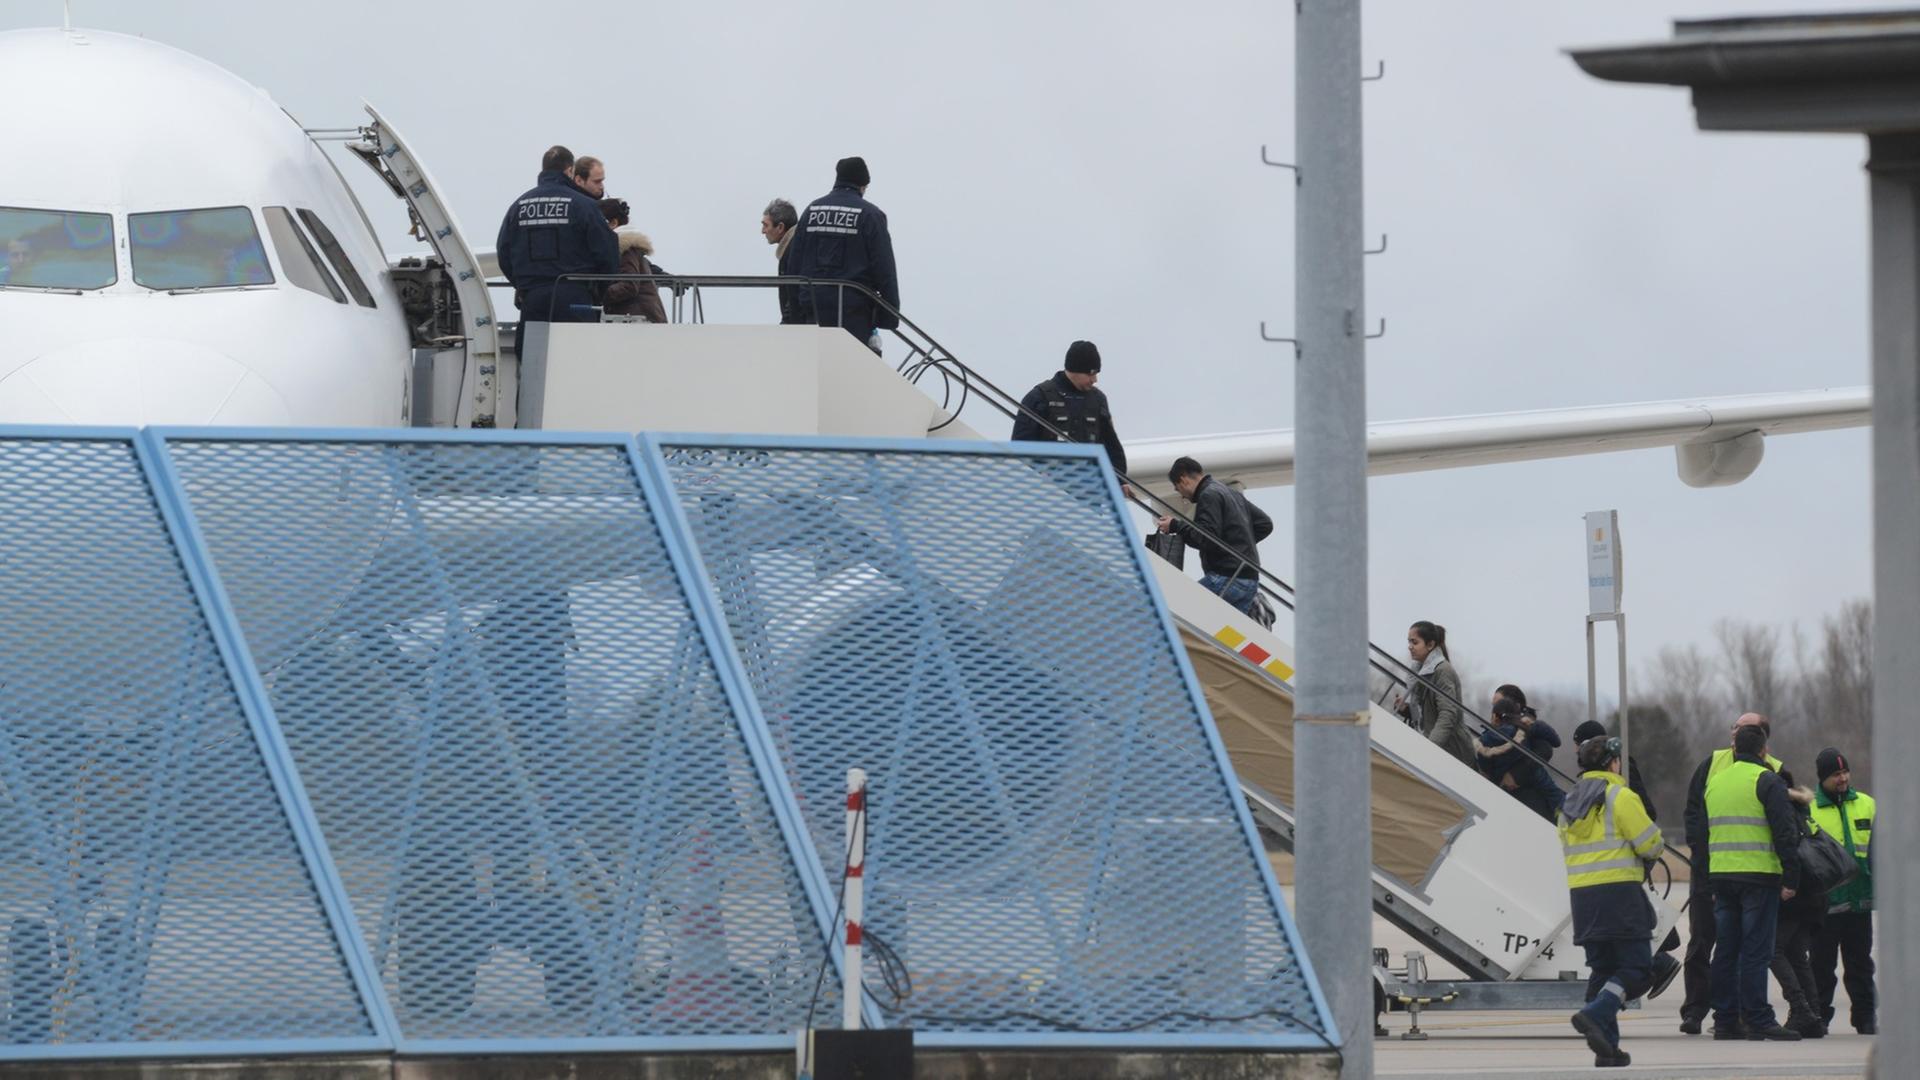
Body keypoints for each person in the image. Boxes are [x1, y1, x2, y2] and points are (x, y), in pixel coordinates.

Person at [1561, 735, 1664, 1068]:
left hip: (1583, 897)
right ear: (1613, 763)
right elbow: (1650, 844)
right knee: (1637, 968)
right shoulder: (1619, 796)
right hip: (1620, 894)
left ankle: (1608, 1048)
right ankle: (1595, 1013)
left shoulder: (1568, 803)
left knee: (1603, 970)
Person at [1677, 711, 1780, 1034]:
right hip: (1712, 869)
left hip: (1747, 872)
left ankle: (1733, 1014)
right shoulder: (1713, 764)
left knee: (1738, 947)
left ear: (1761, 738)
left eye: (1743, 728)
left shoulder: (1774, 771)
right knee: (1702, 941)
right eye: (1733, 726)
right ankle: (1696, 1010)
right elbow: (1693, 812)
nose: (1735, 733)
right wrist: (1701, 856)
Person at [1705, 721, 1802, 1040]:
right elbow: (1785, 831)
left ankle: (1725, 1020)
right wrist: (1792, 875)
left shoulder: (1715, 781)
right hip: (1758, 876)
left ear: (1734, 749)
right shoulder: (1766, 780)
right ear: (1764, 751)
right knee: (1756, 950)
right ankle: (1758, 1017)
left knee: (1726, 950)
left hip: (1721, 875)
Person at [495, 145, 619, 360]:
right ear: (570, 171)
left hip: (532, 299)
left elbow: (503, 252)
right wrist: (596, 290)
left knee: (532, 367)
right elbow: (608, 254)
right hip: (576, 298)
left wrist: (523, 285)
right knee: (577, 364)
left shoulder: (518, 206)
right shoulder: (585, 205)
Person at [792, 156, 898, 351]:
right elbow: (885, 270)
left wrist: (792, 314)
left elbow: (793, 264)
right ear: (863, 184)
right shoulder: (871, 216)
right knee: (851, 375)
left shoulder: (811, 211)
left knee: (816, 372)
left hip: (812, 312)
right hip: (853, 314)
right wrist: (889, 317)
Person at [1809, 746, 1876, 1035]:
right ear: (1823, 778)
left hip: (1859, 901)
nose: (1843, 778)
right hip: (1825, 903)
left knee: (1860, 964)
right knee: (1821, 966)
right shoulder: (1809, 809)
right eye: (1836, 774)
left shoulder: (1867, 804)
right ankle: (1819, 1015)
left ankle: (1865, 1017)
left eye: (1845, 772)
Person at [1154, 457, 1271, 619]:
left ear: (1183, 480)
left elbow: (1205, 538)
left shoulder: (1208, 495)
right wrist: (1237, 545)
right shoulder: (1231, 493)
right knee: (1228, 636)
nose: (1182, 496)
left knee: (1176, 613)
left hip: (1226, 578)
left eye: (1177, 489)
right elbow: (1265, 524)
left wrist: (1175, 525)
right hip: (1249, 580)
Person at [1011, 341, 1130, 491]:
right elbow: (1020, 446)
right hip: (1049, 491)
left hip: (1090, 491)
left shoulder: (1098, 400)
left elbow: (1111, 444)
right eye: (1090, 374)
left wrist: (1119, 480)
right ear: (1075, 370)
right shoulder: (1039, 397)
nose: (1094, 380)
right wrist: (1038, 474)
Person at [1766, 767, 1828, 1038]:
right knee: (1796, 955)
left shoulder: (1784, 810)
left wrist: (1787, 884)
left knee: (1773, 950)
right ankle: (1814, 1016)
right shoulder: (1801, 809)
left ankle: (1801, 1008)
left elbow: (1787, 848)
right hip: (1812, 895)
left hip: (1796, 895)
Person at [1395, 622, 1474, 768]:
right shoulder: (1421, 670)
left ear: (1430, 645)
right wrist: (1406, 709)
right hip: (1438, 748)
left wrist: (1429, 749)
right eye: (1409, 641)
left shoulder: (1442, 670)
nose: (1409, 646)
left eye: (1415, 642)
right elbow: (1428, 712)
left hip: (1453, 752)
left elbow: (1448, 714)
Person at [1478, 697, 1563, 821]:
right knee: (1553, 793)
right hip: (1533, 777)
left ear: (1495, 717)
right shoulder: (1524, 728)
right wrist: (1531, 722)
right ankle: (1567, 820)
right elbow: (1556, 741)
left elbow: (1485, 768)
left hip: (1502, 785)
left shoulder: (1486, 739)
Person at [597, 197, 667, 324]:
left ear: (613, 223)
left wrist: (598, 293)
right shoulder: (628, 247)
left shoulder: (623, 247)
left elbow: (629, 285)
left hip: (638, 321)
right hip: (643, 319)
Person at [1574, 719, 1657, 822]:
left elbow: (1647, 811)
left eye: (1578, 745)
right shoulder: (1588, 779)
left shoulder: (1625, 768)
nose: (1576, 750)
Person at [761, 198, 810, 325]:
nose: (763, 231)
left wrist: (787, 324)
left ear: (780, 227)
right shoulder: (796, 245)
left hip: (799, 327)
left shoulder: (793, 250)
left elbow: (794, 292)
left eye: (766, 225)